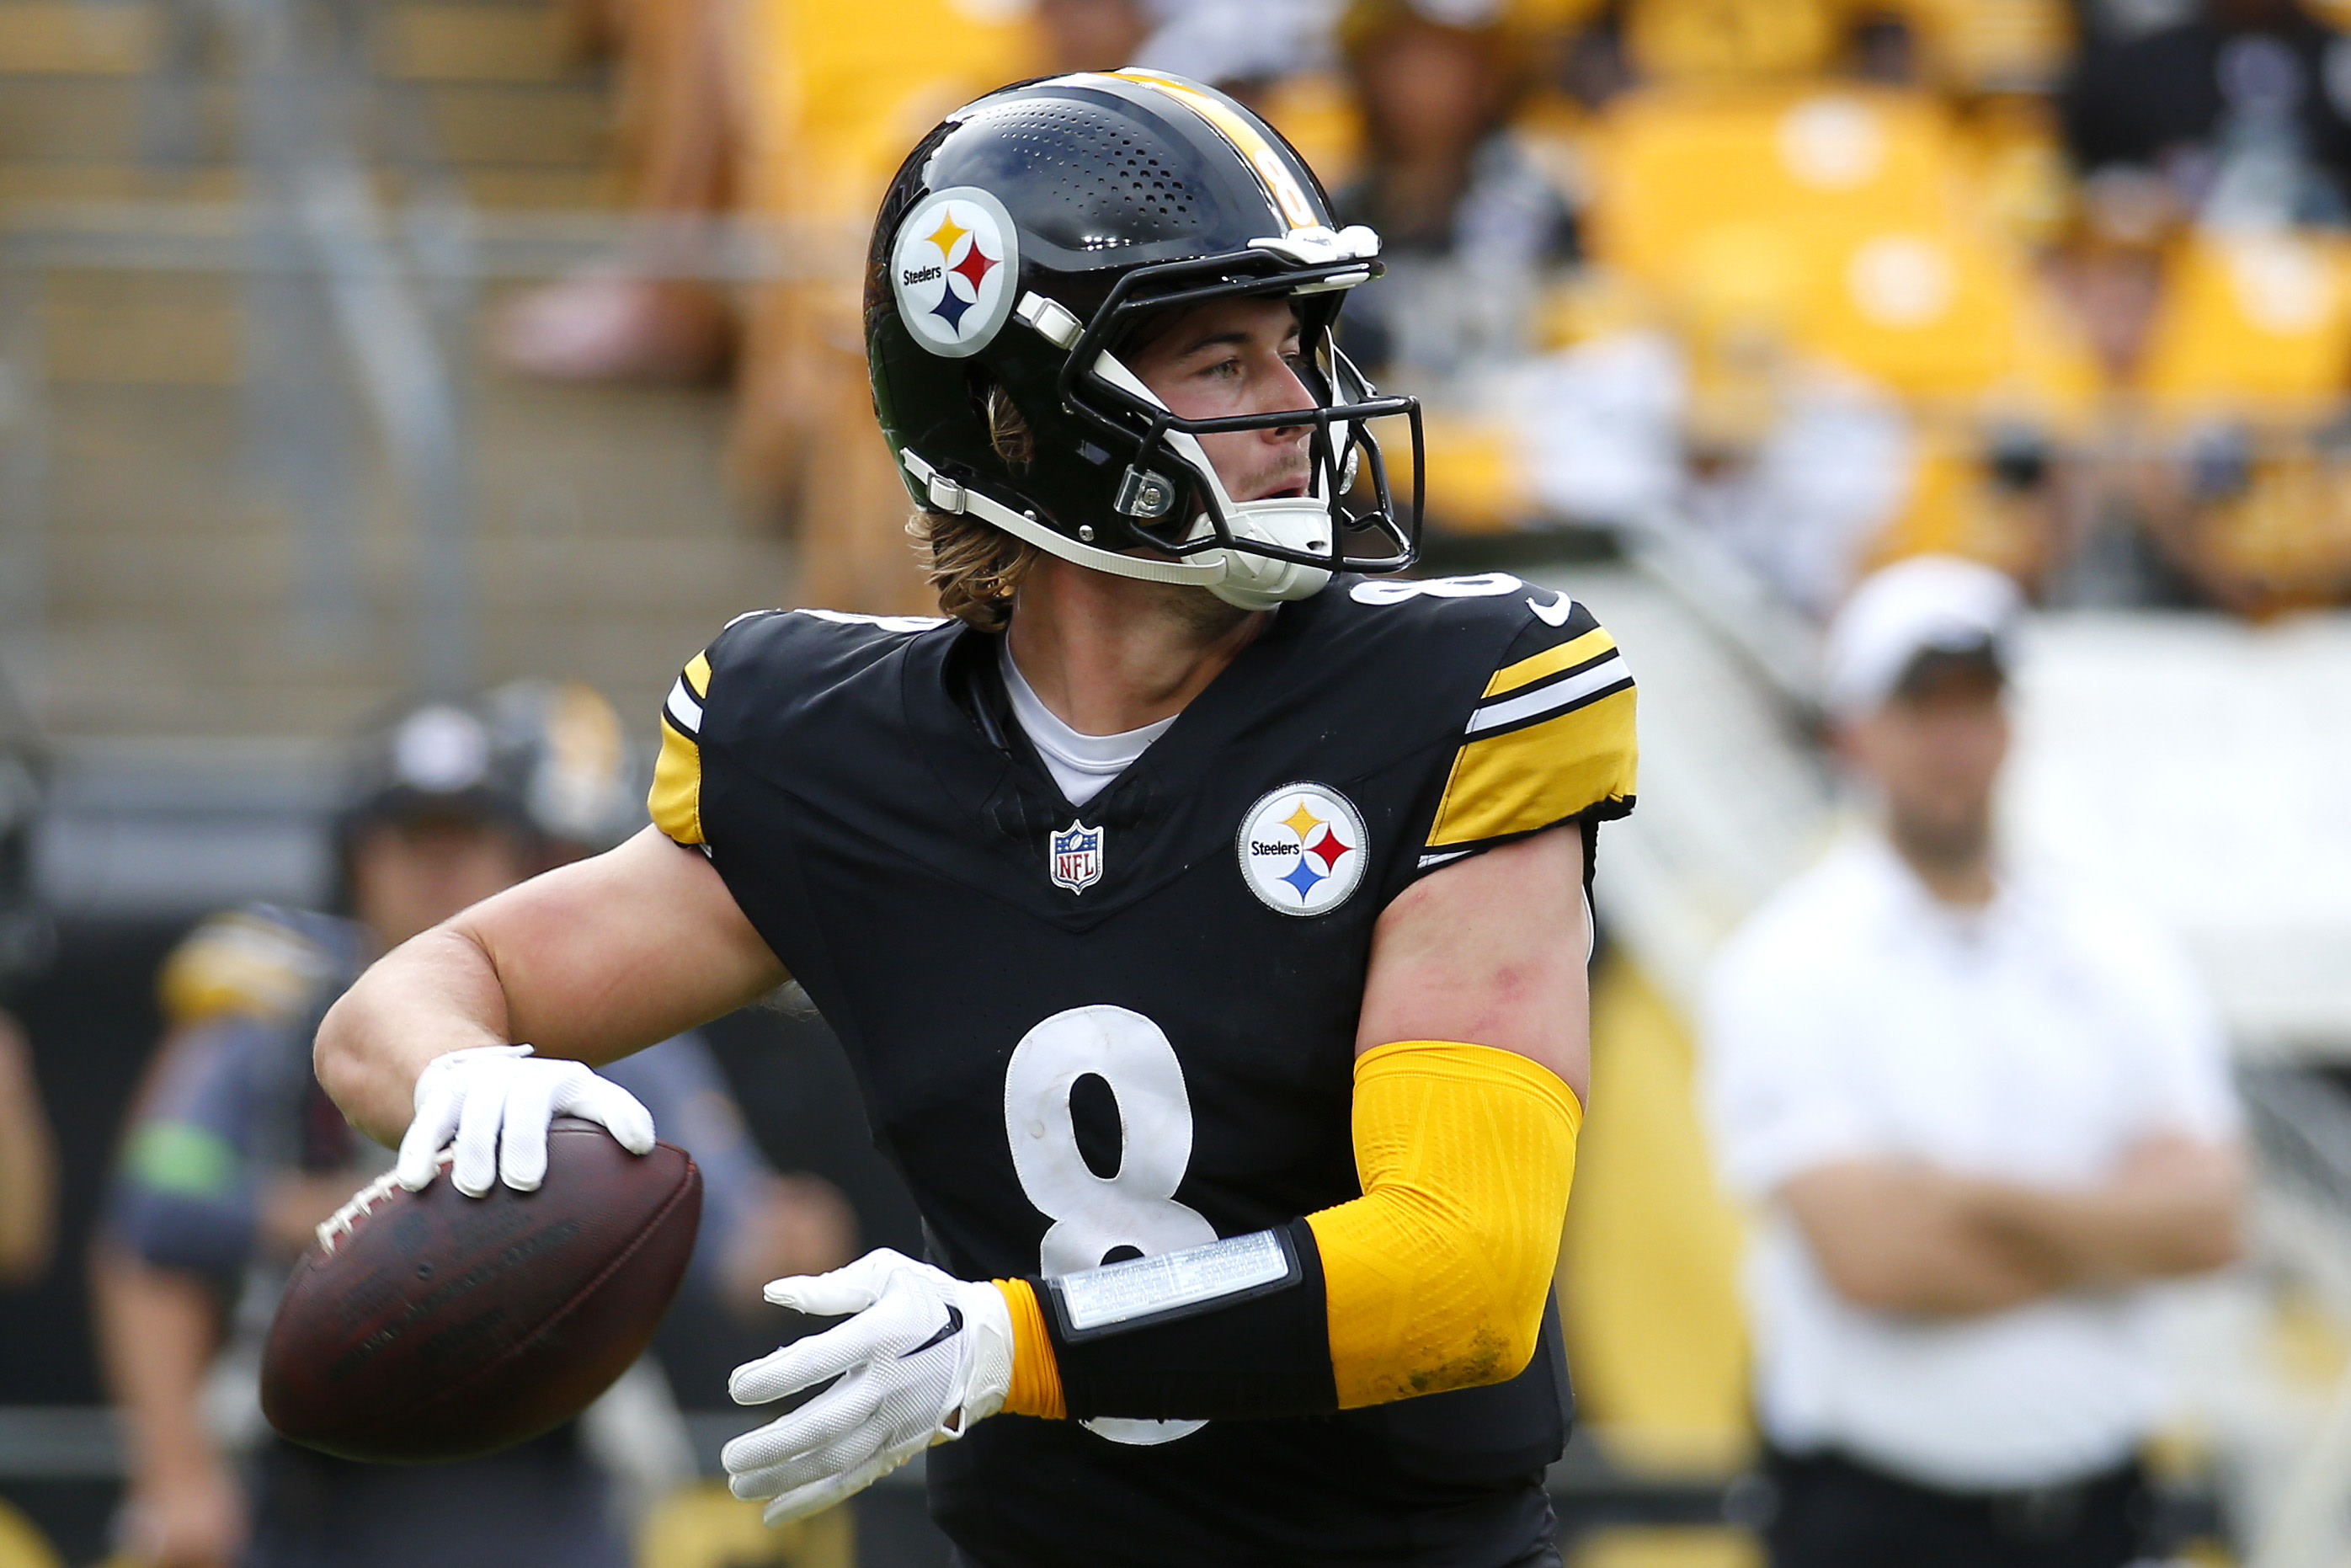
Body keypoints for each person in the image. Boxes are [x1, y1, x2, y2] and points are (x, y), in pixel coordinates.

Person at [312, 68, 1639, 1567]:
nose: (1301, 411)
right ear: (1017, 419)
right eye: (1222, 363)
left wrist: (1003, 1345)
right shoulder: (834, 749)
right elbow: (394, 1007)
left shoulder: (1457, 696)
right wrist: (459, 1078)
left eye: (1298, 349)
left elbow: (1468, 1272)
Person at [94, 687, 850, 1568]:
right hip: (314, 1452)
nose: (439, 867)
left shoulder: (604, 1014)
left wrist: (788, 1245)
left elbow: (735, 1233)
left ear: (518, 855)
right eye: (413, 837)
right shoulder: (266, 1003)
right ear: (355, 859)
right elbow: (155, 1205)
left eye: (469, 837)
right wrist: (341, 1216)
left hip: (541, 1432)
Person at [1700, 555, 2246, 1568]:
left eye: (1977, 702)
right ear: (1853, 730)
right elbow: (1875, 1262)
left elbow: (2210, 1219)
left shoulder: (2114, 941)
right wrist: (2113, 1232)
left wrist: (1953, 1194)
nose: (1954, 739)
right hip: (1874, 1519)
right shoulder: (1785, 961)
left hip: (2096, 1512)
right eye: (1921, 706)